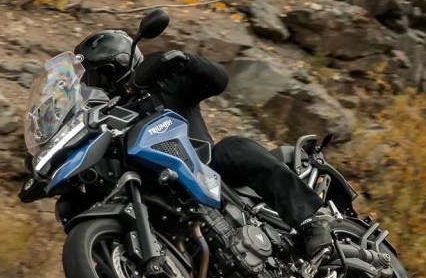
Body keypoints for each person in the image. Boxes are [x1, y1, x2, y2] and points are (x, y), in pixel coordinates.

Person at [73, 30, 337, 262]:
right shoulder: (104, 122)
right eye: (90, 81)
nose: (96, 85)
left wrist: (184, 62)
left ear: (120, 64)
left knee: (234, 147)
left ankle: (311, 220)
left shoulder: (163, 86)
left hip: (207, 170)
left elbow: (218, 80)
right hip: (162, 198)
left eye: (101, 76)